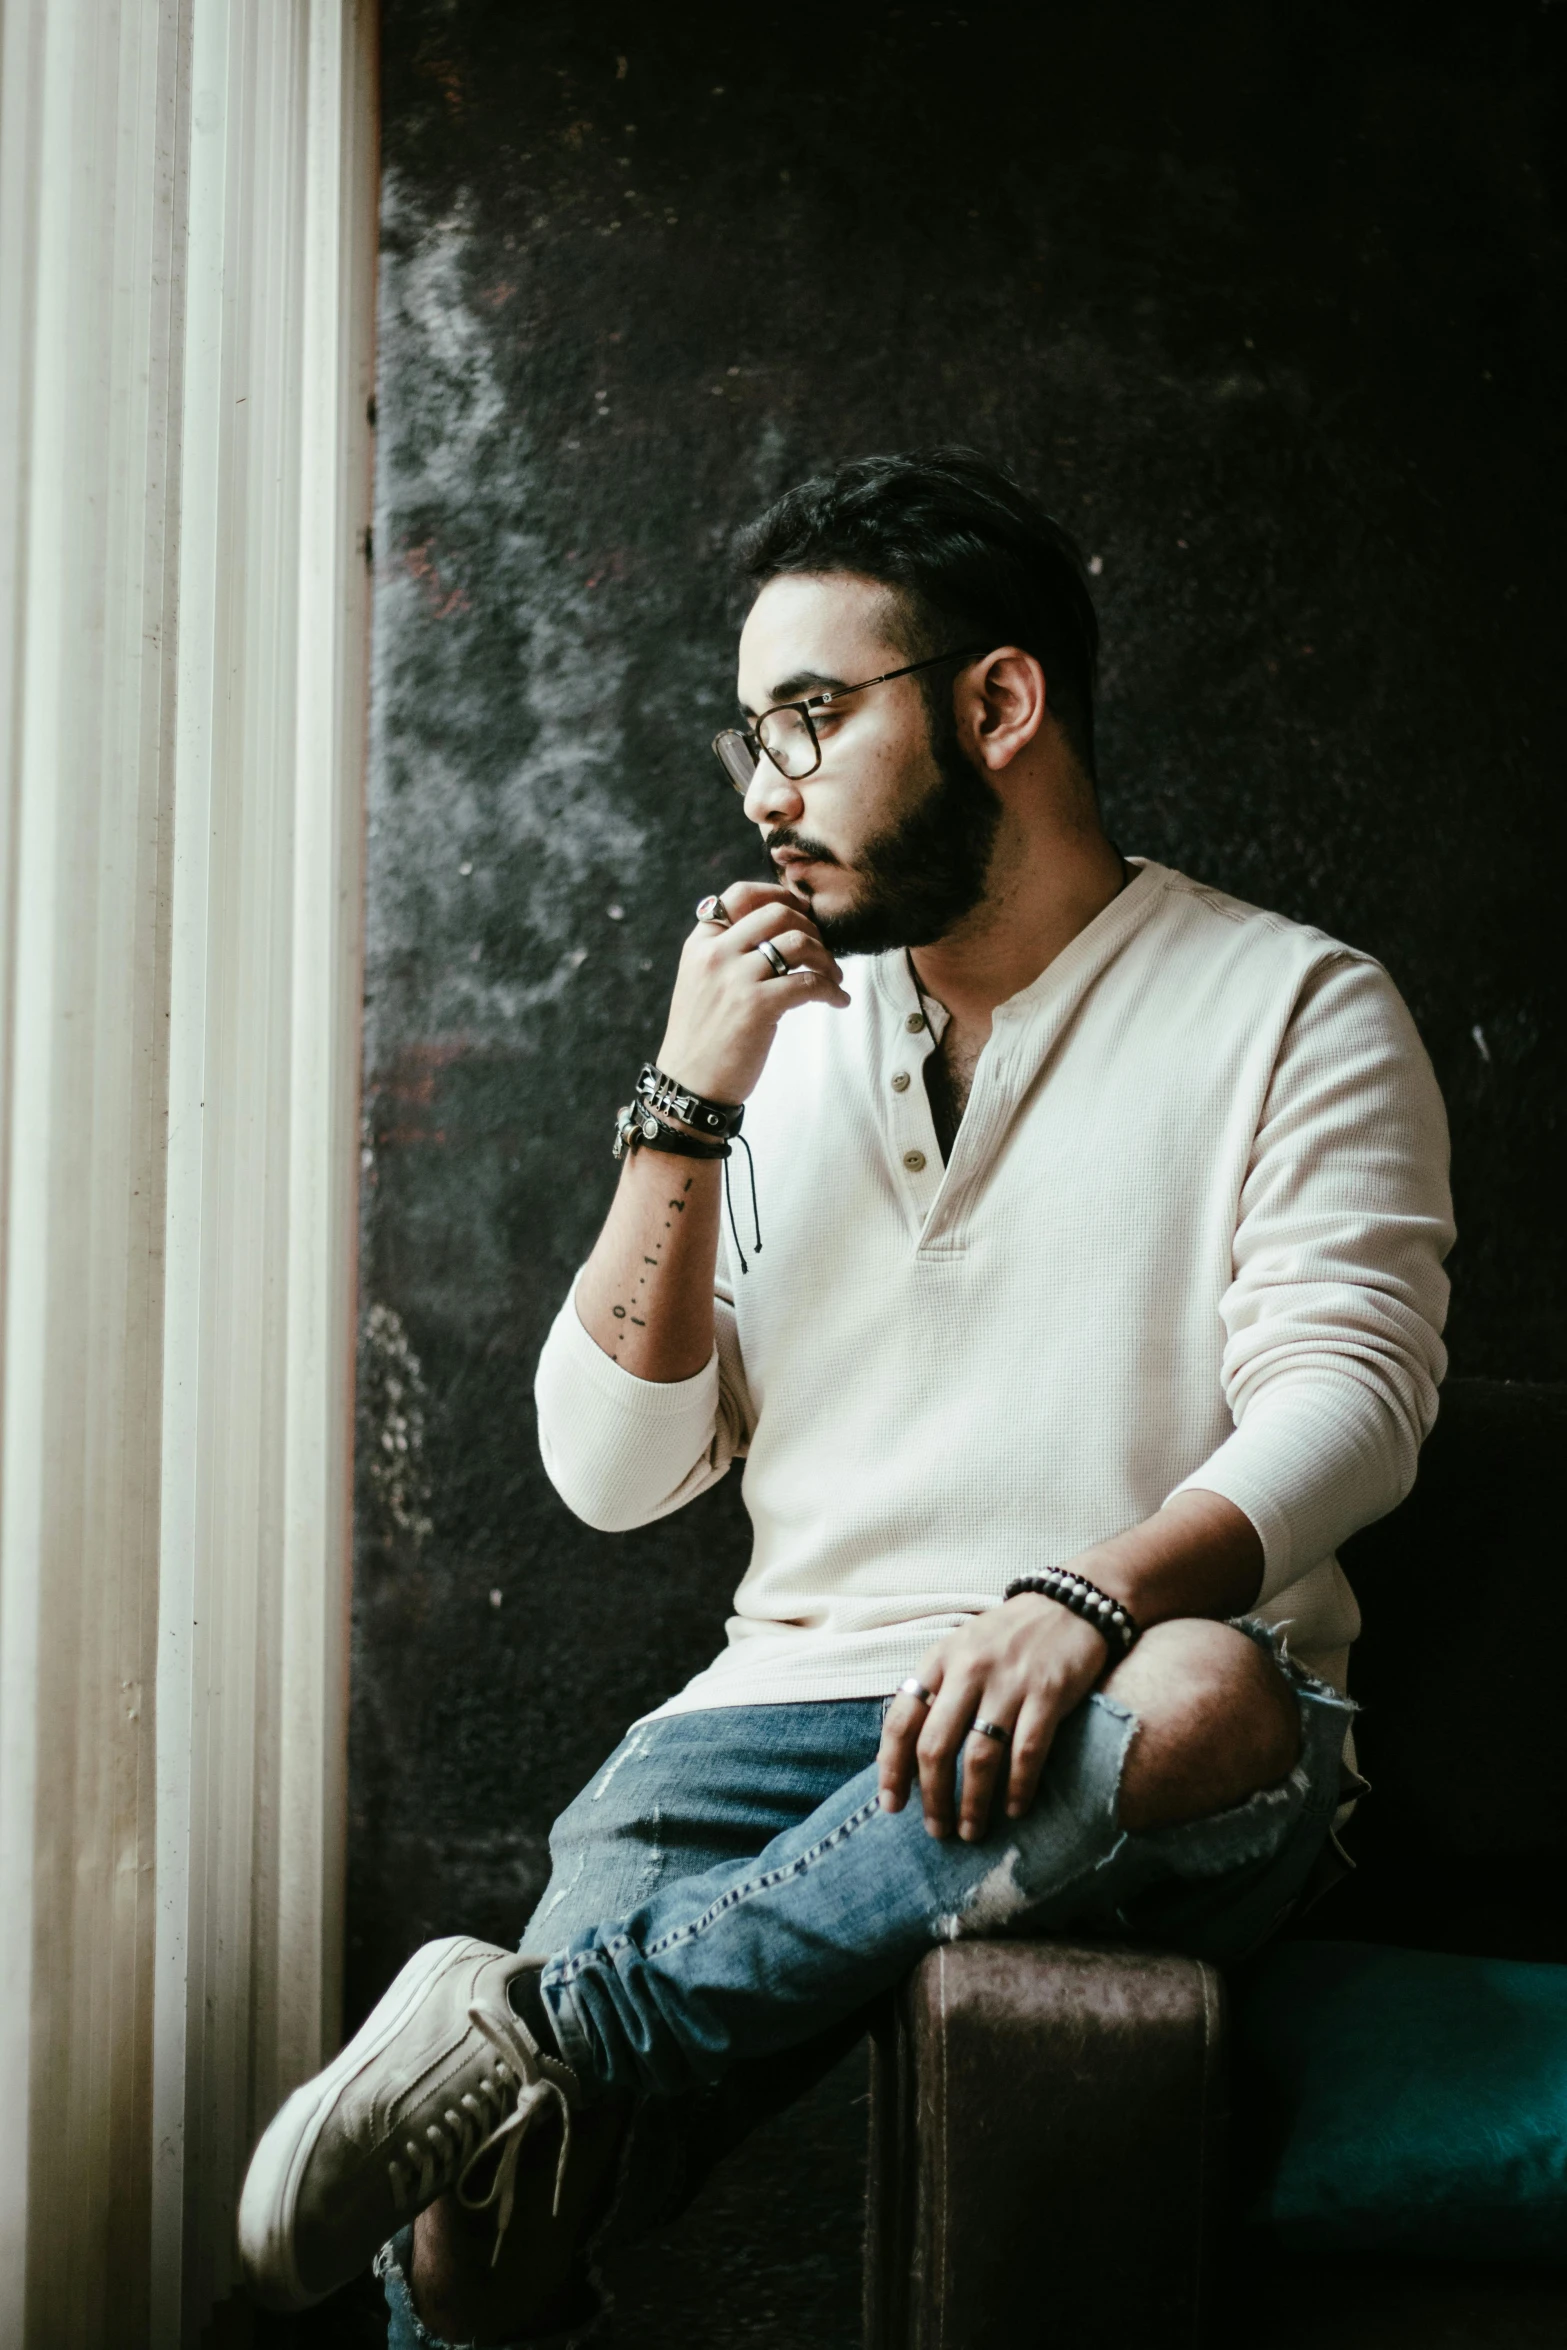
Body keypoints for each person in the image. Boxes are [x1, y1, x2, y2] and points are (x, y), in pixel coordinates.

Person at [237, 449, 1453, 2345]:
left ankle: (561, 2024)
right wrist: (686, 1101)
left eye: (808, 715)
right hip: (771, 1714)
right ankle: (552, 2058)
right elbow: (613, 1475)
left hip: (1117, 1703)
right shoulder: (767, 1048)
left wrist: (1081, 1595)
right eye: (747, 737)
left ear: (996, 702)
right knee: (480, 2242)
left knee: (1213, 1690)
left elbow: (1357, 1397)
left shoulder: (1292, 1007)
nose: (764, 786)